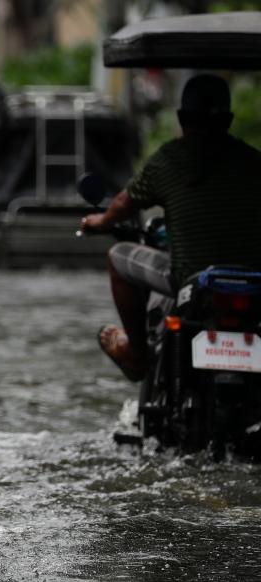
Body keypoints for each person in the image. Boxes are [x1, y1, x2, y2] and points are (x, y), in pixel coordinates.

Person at [80, 74, 261, 381]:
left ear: (181, 117)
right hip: (255, 283)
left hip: (192, 280)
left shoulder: (168, 160)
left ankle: (136, 354)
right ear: (229, 119)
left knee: (117, 256)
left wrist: (99, 221)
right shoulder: (253, 162)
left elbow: (124, 203)